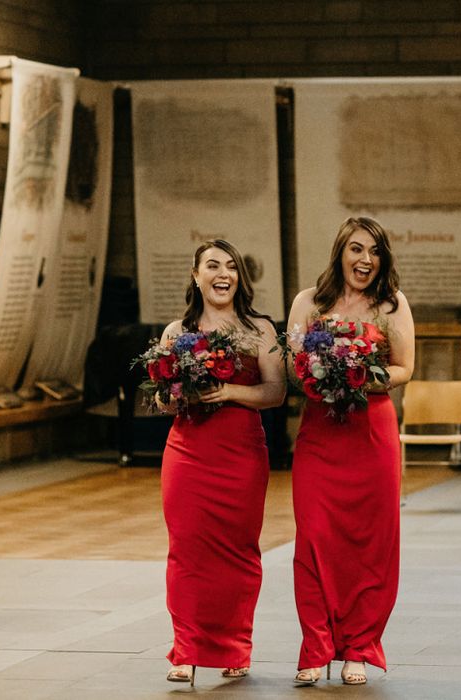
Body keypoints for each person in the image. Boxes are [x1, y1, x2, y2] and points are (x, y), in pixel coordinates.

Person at [286, 217, 415, 686]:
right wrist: (323, 374)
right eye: (357, 249)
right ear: (340, 250)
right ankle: (315, 646)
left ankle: (359, 646)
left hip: (371, 431)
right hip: (321, 433)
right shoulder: (308, 303)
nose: (365, 260)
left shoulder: (392, 304)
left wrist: (364, 375)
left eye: (375, 252)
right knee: (314, 537)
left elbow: (405, 367)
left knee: (369, 543)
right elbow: (292, 367)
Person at [159, 239, 286, 686]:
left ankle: (235, 647)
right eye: (212, 265)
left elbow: (276, 392)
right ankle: (187, 650)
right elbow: (162, 399)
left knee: (238, 550)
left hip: (241, 454)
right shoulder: (176, 332)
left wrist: (230, 392)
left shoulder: (260, 330)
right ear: (196, 275)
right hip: (188, 451)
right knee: (187, 549)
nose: (223, 273)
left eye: (230, 266)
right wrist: (175, 394)